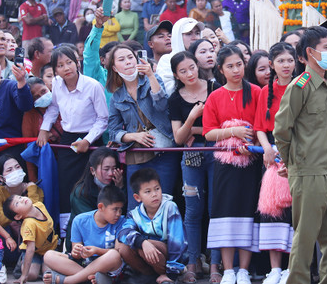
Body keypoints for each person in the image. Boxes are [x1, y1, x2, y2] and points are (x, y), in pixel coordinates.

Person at [274, 26, 327, 284]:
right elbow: (282, 129)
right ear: (310, 52)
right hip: (308, 172)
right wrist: (291, 162)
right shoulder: (301, 85)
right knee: (305, 238)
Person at [203, 45, 261, 284]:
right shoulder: (215, 96)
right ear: (221, 69)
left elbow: (261, 127)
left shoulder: (256, 91)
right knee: (225, 212)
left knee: (248, 211)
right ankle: (228, 270)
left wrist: (252, 138)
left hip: (251, 161)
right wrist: (233, 131)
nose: (236, 70)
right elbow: (208, 133)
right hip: (225, 164)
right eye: (230, 66)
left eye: (239, 64)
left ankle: (244, 269)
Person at [37, 45, 108, 235]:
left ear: (77, 63)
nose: (66, 68)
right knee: (67, 186)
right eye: (60, 65)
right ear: (55, 69)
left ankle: (95, 230)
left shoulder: (92, 86)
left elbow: (103, 119)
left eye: (69, 62)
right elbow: (53, 108)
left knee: (92, 187)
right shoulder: (58, 84)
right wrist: (44, 129)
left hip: (91, 140)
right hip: (68, 141)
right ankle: (67, 234)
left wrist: (88, 140)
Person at [168, 51, 220, 283]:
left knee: (215, 209)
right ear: (176, 75)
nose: (189, 73)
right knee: (192, 211)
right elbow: (178, 138)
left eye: (191, 67)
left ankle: (216, 264)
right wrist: (192, 118)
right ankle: (192, 262)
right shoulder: (175, 99)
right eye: (183, 71)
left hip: (216, 152)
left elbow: (221, 124)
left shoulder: (214, 88)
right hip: (190, 156)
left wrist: (196, 130)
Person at [106, 43, 179, 209]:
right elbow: (113, 131)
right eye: (122, 59)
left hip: (163, 152)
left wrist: (151, 76)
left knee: (163, 203)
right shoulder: (116, 96)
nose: (128, 62)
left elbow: (162, 106)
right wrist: (133, 136)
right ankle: (138, 236)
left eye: (130, 57)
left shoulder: (152, 79)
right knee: (136, 206)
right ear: (115, 68)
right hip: (136, 154)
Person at [254, 42, 297, 284]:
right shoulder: (264, 92)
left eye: (290, 60)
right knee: (272, 211)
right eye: (281, 61)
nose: (286, 65)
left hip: (298, 154)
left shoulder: (302, 85)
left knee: (295, 213)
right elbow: (259, 127)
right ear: (272, 64)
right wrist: (267, 148)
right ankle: (274, 269)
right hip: (272, 154)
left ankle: (294, 266)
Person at [117, 168, 188, 284]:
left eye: (157, 189)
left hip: (169, 257)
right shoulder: (135, 214)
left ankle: (169, 276)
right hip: (147, 255)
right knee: (122, 246)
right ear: (137, 197)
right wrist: (143, 243)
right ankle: (148, 276)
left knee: (145, 246)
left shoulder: (170, 207)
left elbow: (177, 242)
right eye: (148, 191)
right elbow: (123, 232)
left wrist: (172, 273)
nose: (154, 194)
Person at [2, 194, 58, 284]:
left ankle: (40, 266)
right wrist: (24, 275)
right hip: (33, 251)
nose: (21, 200)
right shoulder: (29, 224)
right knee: (31, 275)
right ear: (18, 216)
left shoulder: (40, 205)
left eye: (20, 197)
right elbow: (30, 249)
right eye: (17, 203)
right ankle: (22, 265)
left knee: (48, 274)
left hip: (49, 249)